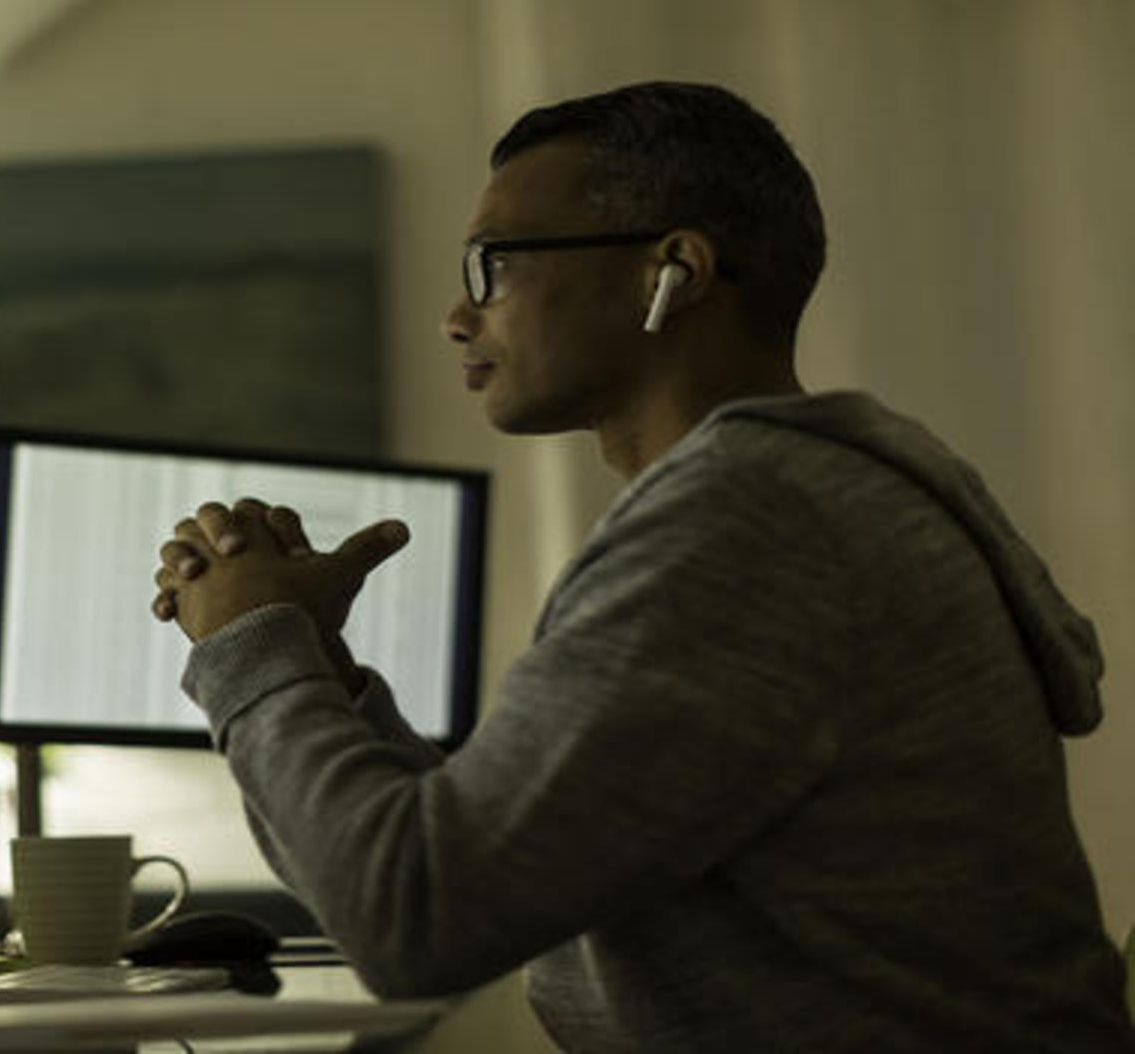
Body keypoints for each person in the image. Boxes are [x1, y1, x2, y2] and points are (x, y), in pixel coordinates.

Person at [149, 82, 1132, 1048]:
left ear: (675, 272)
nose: (457, 314)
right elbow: (487, 871)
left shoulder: (748, 523)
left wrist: (248, 639)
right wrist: (309, 662)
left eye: (492, 265)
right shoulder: (790, 494)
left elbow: (413, 920)